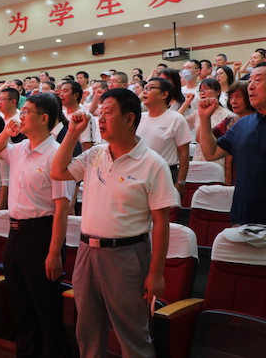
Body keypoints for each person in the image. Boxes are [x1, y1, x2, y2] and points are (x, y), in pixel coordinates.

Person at [51, 88, 178, 357]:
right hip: (86, 251)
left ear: (129, 119)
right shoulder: (95, 155)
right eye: (100, 113)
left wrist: (156, 273)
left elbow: (161, 223)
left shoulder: (152, 163)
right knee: (87, 331)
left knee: (132, 334)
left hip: (127, 254)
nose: (101, 119)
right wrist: (72, 133)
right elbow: (58, 171)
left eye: (108, 113)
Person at [0, 92, 74, 357]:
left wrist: (54, 252)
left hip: (42, 235)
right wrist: (7, 132)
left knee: (45, 308)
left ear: (44, 118)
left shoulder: (56, 154)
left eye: (27, 111)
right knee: (21, 306)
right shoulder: (19, 149)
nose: (21, 116)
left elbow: (62, 208)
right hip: (16, 234)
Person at [198, 61, 266, 250]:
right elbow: (211, 153)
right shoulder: (242, 124)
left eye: (258, 80)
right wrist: (204, 118)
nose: (250, 86)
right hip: (242, 222)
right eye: (250, 80)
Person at [137, 78, 190, 195]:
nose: (145, 92)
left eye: (150, 88)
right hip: (140, 174)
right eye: (145, 88)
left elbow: (184, 154)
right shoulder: (139, 118)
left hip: (166, 173)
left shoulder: (176, 119)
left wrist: (180, 182)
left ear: (164, 94)